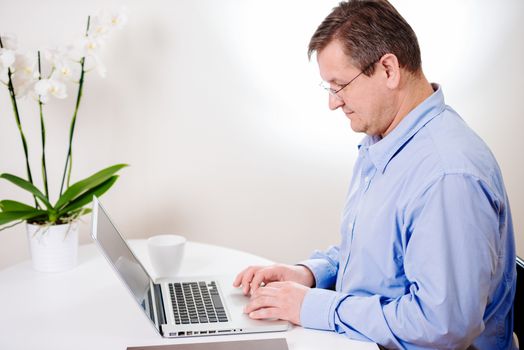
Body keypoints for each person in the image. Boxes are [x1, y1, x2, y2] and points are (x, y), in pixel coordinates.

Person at [233, 1, 518, 349]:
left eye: (339, 85)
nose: (333, 103)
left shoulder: (447, 176)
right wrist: (308, 275)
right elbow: (380, 256)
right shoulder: (384, 139)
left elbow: (441, 327)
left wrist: (312, 306)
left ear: (388, 69)